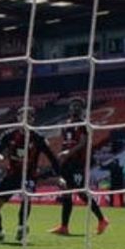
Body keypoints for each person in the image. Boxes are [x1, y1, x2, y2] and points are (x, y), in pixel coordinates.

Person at [0, 106, 65, 244]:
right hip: (11, 175)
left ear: (32, 120)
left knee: (26, 198)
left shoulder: (38, 138)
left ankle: (21, 227)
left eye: (28, 117)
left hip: (29, 176)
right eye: (22, 116)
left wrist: (59, 176)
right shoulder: (8, 135)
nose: (25, 119)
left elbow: (52, 158)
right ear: (17, 118)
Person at [49, 98, 109, 236]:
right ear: (69, 108)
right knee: (66, 193)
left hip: (78, 164)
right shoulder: (66, 125)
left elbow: (83, 143)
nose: (75, 108)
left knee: (81, 193)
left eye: (78, 106)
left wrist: (68, 152)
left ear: (82, 109)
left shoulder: (83, 124)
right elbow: (66, 142)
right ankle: (64, 226)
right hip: (67, 164)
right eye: (73, 105)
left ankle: (102, 220)